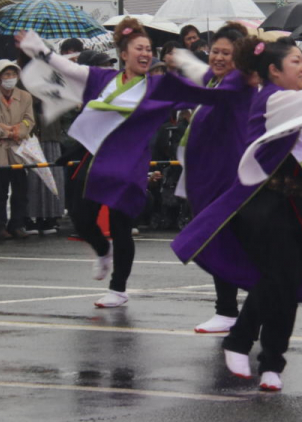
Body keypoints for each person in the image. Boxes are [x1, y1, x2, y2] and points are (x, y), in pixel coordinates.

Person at [171, 36, 302, 392]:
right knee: (278, 278)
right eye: (295, 62)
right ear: (274, 71)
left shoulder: (300, 105)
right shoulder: (273, 99)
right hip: (269, 207)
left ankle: (270, 363)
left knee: (286, 286)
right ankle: (245, 344)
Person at [17, 18, 225, 308]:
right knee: (80, 217)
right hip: (96, 158)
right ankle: (103, 251)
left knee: (121, 225)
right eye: (138, 48)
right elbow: (69, 68)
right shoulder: (103, 79)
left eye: (148, 48)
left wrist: (192, 63)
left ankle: (118, 288)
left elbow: (201, 91)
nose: (144, 53)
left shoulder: (159, 85)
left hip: (130, 164)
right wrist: (40, 49)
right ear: (123, 54)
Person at [173, 23, 256, 333]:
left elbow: (196, 87)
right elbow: (200, 72)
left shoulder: (238, 81)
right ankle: (232, 309)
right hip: (212, 175)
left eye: (226, 53)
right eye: (215, 51)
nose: (218, 58)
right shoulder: (217, 81)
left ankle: (232, 308)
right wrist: (181, 58)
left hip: (231, 176)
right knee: (222, 240)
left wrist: (167, 86)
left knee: (224, 239)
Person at [0, 60, 35, 240]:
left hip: (18, 148)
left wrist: (15, 130)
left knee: (20, 189)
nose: (10, 78)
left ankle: (17, 224)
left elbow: (29, 120)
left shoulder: (25, 96)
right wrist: (9, 131)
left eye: (13, 74)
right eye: (6, 75)